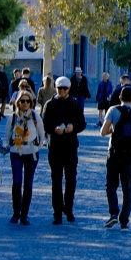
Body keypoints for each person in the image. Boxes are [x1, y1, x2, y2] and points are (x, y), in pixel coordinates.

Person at [100, 86, 131, 228]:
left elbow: (103, 131)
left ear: (120, 98)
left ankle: (113, 213)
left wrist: (114, 130)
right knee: (128, 187)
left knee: (111, 185)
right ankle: (124, 219)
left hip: (114, 151)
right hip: (130, 153)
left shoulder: (113, 110)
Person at [43, 77, 85, 223]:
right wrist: (53, 129)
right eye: (59, 88)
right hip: (55, 146)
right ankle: (57, 212)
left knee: (71, 180)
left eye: (65, 89)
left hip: (70, 146)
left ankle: (69, 209)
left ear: (69, 89)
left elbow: (82, 123)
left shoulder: (74, 104)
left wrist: (73, 127)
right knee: (56, 181)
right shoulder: (50, 104)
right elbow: (45, 123)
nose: (62, 91)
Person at [7, 90, 44, 225]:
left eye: (28, 101)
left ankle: (24, 214)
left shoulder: (35, 117)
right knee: (17, 182)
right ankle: (16, 212)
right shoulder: (13, 118)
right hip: (16, 152)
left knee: (28, 184)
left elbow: (41, 134)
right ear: (18, 103)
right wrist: (14, 145)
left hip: (31, 153)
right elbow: (8, 135)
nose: (25, 103)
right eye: (22, 101)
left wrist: (36, 147)